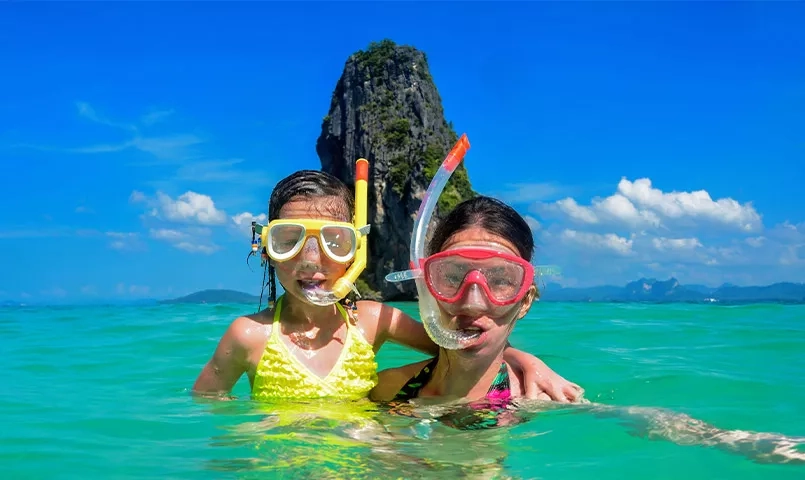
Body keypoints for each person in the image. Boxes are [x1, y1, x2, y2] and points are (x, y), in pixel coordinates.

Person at [370, 195, 805, 464]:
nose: (473, 299)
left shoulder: (538, 399)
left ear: (525, 301)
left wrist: (745, 442)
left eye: (501, 279)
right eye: (453, 275)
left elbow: (639, 419)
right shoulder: (390, 388)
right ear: (427, 290)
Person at [192, 169, 583, 403]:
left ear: (354, 251)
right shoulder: (248, 335)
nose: (311, 259)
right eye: (288, 240)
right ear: (266, 250)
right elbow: (205, 407)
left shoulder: (373, 321)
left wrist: (524, 361)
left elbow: (459, 341)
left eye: (334, 241)